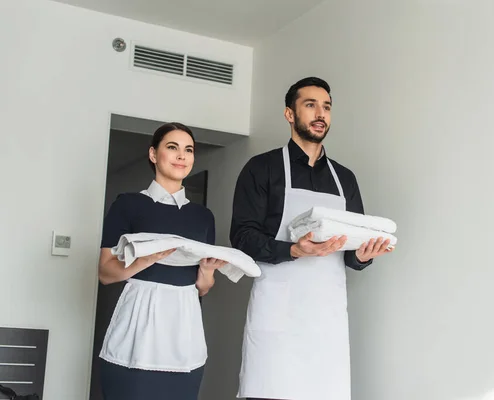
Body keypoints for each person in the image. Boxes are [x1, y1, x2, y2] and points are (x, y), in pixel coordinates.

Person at [231, 77, 393, 400]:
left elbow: (350, 253)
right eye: (310, 105)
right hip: (277, 322)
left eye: (327, 107)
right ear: (290, 114)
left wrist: (364, 254)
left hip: (326, 324)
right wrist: (293, 249)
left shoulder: (344, 179)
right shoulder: (261, 169)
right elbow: (242, 236)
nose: (321, 113)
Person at [97, 122, 227, 400]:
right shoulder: (128, 204)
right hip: (139, 322)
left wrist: (206, 270)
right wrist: (146, 260)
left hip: (184, 324)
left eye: (188, 150)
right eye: (172, 147)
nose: (182, 156)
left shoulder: (203, 217)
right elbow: (105, 272)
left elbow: (203, 288)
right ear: (154, 155)